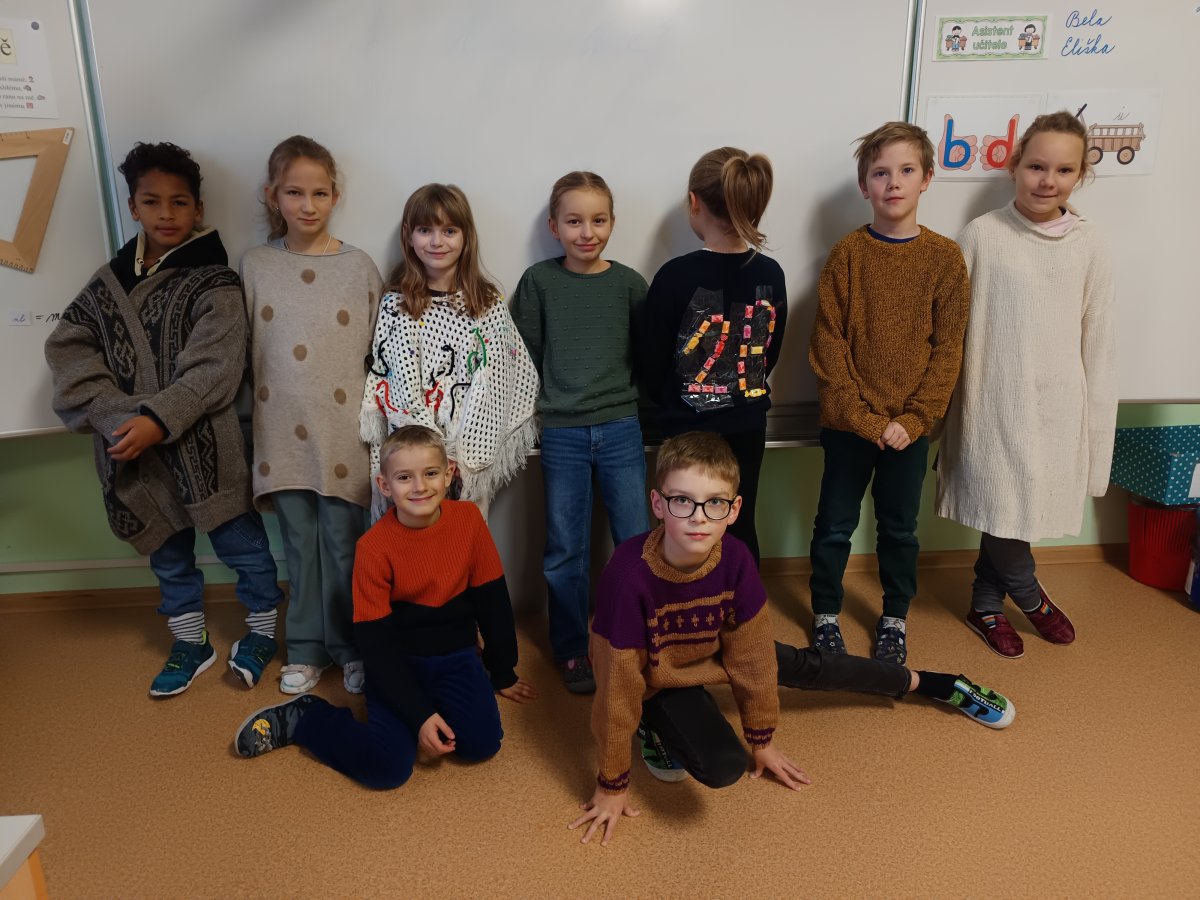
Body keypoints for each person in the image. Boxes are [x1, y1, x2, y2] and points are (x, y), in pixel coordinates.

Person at [570, 432, 1013, 846]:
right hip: (653, 674)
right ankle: (654, 724)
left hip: (712, 648)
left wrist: (761, 739)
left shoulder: (736, 560)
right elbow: (616, 689)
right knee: (723, 767)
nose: (699, 517)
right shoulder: (628, 576)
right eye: (682, 500)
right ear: (658, 504)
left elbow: (753, 660)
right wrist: (612, 784)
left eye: (715, 503)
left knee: (810, 665)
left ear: (734, 510)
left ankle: (931, 683)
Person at [45, 142, 282, 696]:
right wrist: (116, 416)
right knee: (169, 556)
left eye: (179, 202)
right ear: (133, 207)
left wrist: (159, 417)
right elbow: (69, 351)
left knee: (244, 548)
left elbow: (216, 368)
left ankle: (263, 631)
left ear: (198, 208)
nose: (166, 214)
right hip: (131, 450)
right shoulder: (107, 283)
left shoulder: (215, 279)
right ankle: (190, 642)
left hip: (207, 447)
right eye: (152, 202)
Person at [234, 425, 537, 787]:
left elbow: (493, 603)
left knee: (482, 745)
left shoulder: (469, 522)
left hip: (456, 658)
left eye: (430, 473)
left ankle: (434, 707)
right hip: (397, 662)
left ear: (449, 474)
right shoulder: (373, 548)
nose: (420, 486)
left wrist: (502, 671)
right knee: (387, 769)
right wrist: (420, 714)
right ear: (384, 485)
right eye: (405, 477)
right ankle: (308, 718)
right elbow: (376, 645)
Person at [936, 110, 1117, 658]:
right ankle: (1031, 595)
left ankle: (986, 603)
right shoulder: (981, 235)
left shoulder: (1090, 244)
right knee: (1002, 500)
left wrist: (1096, 432)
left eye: (1064, 170)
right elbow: (949, 327)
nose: (1047, 180)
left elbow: (1099, 338)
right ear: (1014, 165)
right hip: (992, 402)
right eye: (1037, 166)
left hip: (1058, 405)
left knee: (1019, 508)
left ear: (1080, 175)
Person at [808, 122, 969, 666]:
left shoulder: (945, 259)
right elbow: (828, 348)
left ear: (927, 178)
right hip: (848, 426)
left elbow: (948, 350)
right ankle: (825, 615)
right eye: (880, 173)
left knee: (899, 528)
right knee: (834, 525)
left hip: (908, 431)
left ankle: (895, 619)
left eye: (906, 170)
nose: (893, 183)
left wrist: (914, 419)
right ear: (864, 186)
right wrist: (865, 419)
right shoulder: (847, 256)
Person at [241, 135, 383, 696]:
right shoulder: (255, 265)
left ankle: (351, 647)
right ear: (272, 195)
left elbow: (379, 352)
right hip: (280, 433)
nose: (307, 205)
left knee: (345, 547)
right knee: (299, 547)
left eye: (319, 193)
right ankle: (303, 648)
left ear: (335, 196)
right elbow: (245, 351)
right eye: (294, 192)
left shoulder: (359, 266)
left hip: (345, 434)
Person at [511, 172, 650, 694]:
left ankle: (634, 636)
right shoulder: (538, 282)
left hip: (621, 427)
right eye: (574, 221)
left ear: (612, 223)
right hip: (563, 433)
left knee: (635, 539)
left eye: (598, 220)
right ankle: (571, 649)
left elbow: (647, 356)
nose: (586, 232)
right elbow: (522, 357)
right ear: (555, 227)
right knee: (565, 547)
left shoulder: (630, 284)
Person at [639, 147, 786, 567]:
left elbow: (651, 361)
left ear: (694, 202)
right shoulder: (771, 274)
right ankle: (743, 606)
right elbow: (768, 354)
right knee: (738, 523)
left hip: (685, 427)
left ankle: (686, 602)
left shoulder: (674, 275)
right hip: (747, 424)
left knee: (685, 529)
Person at [359, 184, 538, 520]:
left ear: (466, 236)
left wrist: (462, 452)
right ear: (409, 235)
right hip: (412, 461)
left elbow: (499, 383)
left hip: (468, 459)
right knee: (412, 540)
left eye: (449, 231)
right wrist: (434, 454)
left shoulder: (487, 304)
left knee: (465, 540)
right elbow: (399, 386)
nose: (436, 242)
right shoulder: (396, 305)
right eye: (425, 230)